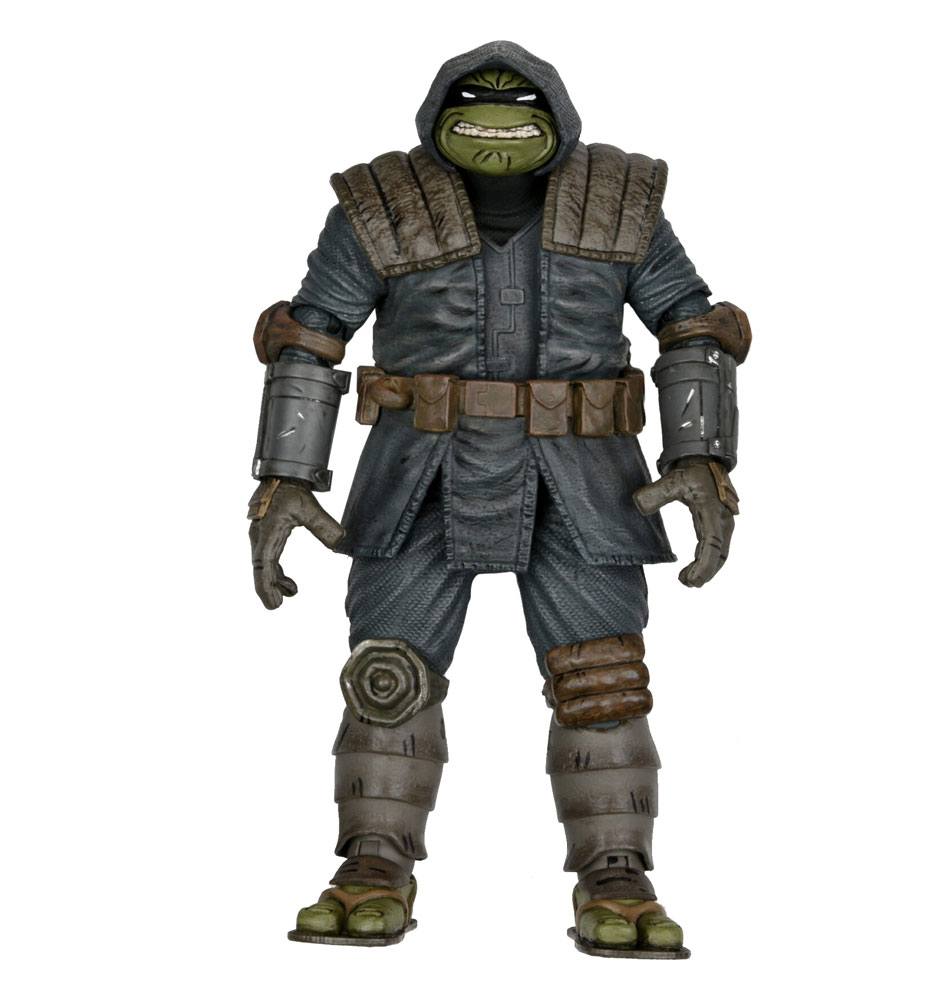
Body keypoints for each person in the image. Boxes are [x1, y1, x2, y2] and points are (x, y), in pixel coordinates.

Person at [248, 40, 750, 957]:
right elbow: (310, 337)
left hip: (583, 480)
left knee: (602, 680)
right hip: (420, 472)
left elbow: (692, 324)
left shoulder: (622, 202)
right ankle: (373, 859)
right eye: (475, 106)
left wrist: (701, 458)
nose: (498, 122)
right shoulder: (380, 207)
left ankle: (616, 872)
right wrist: (282, 479)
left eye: (519, 109)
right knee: (388, 674)